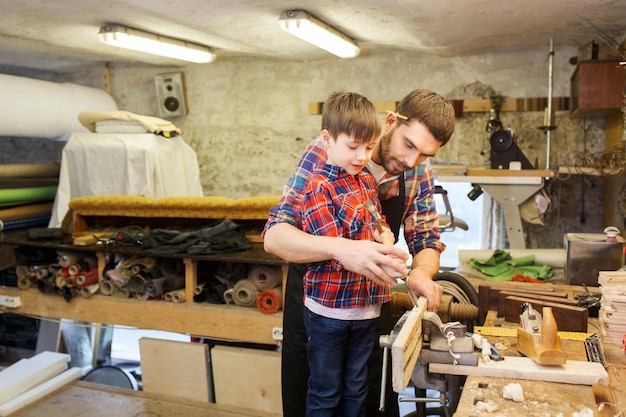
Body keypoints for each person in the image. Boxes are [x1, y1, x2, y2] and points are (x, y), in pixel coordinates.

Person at [263, 89, 456, 417]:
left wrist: (421, 273)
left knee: (367, 398)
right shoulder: (327, 152)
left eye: (424, 155)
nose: (410, 161)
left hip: (368, 309)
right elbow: (275, 237)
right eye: (408, 145)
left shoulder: (418, 172)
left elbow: (426, 239)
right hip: (316, 306)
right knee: (314, 396)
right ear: (391, 122)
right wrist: (341, 249)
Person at [299, 91, 393, 417]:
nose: (361, 156)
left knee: (357, 388)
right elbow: (337, 248)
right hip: (330, 311)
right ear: (327, 139)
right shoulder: (318, 187)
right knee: (326, 392)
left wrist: (385, 234)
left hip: (366, 308)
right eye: (353, 146)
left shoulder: (366, 179)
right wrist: (376, 256)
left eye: (369, 147)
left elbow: (376, 217)